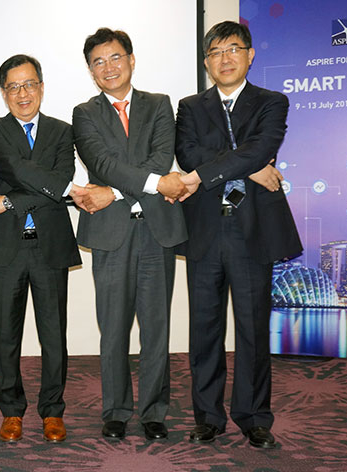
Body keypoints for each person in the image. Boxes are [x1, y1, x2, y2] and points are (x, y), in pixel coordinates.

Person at [175, 21, 302, 449]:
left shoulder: (272, 102)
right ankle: (208, 416)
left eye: (233, 49)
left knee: (252, 330)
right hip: (205, 231)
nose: (224, 58)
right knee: (204, 329)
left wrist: (222, 168)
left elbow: (261, 146)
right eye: (215, 52)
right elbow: (187, 152)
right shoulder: (190, 106)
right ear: (206, 62)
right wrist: (251, 166)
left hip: (254, 232)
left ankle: (253, 415)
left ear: (250, 55)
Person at [72, 28, 188, 441]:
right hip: (111, 235)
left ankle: (154, 411)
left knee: (157, 328)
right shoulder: (84, 113)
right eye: (99, 62)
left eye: (115, 57)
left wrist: (118, 190)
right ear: (91, 70)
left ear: (132, 60)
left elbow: (161, 156)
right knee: (114, 328)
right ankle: (116, 410)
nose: (109, 67)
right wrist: (153, 182)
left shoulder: (159, 105)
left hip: (157, 231)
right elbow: (101, 163)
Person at [0, 54, 82, 443]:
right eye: (14, 86)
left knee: (54, 335)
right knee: (6, 335)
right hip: (8, 247)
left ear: (42, 86)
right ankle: (12, 410)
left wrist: (8, 201)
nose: (23, 93)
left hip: (50, 245)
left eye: (30, 84)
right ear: (4, 92)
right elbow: (18, 171)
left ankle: (53, 411)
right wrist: (50, 187)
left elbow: (63, 178)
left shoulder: (62, 130)